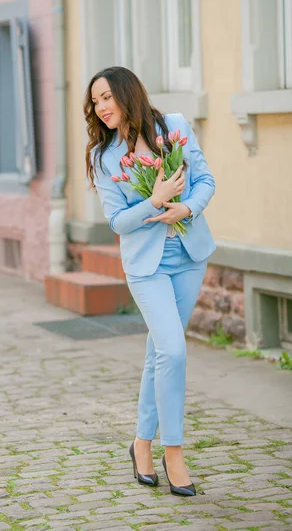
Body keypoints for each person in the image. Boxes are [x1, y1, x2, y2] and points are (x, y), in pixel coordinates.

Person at [84, 66, 215, 497]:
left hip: (189, 255)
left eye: (106, 97)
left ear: (127, 93)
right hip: (147, 266)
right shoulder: (104, 157)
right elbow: (119, 221)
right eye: (95, 101)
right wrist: (154, 202)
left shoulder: (173, 126)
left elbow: (205, 180)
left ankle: (141, 443)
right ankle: (172, 451)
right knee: (173, 351)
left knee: (159, 352)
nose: (101, 107)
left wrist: (188, 208)